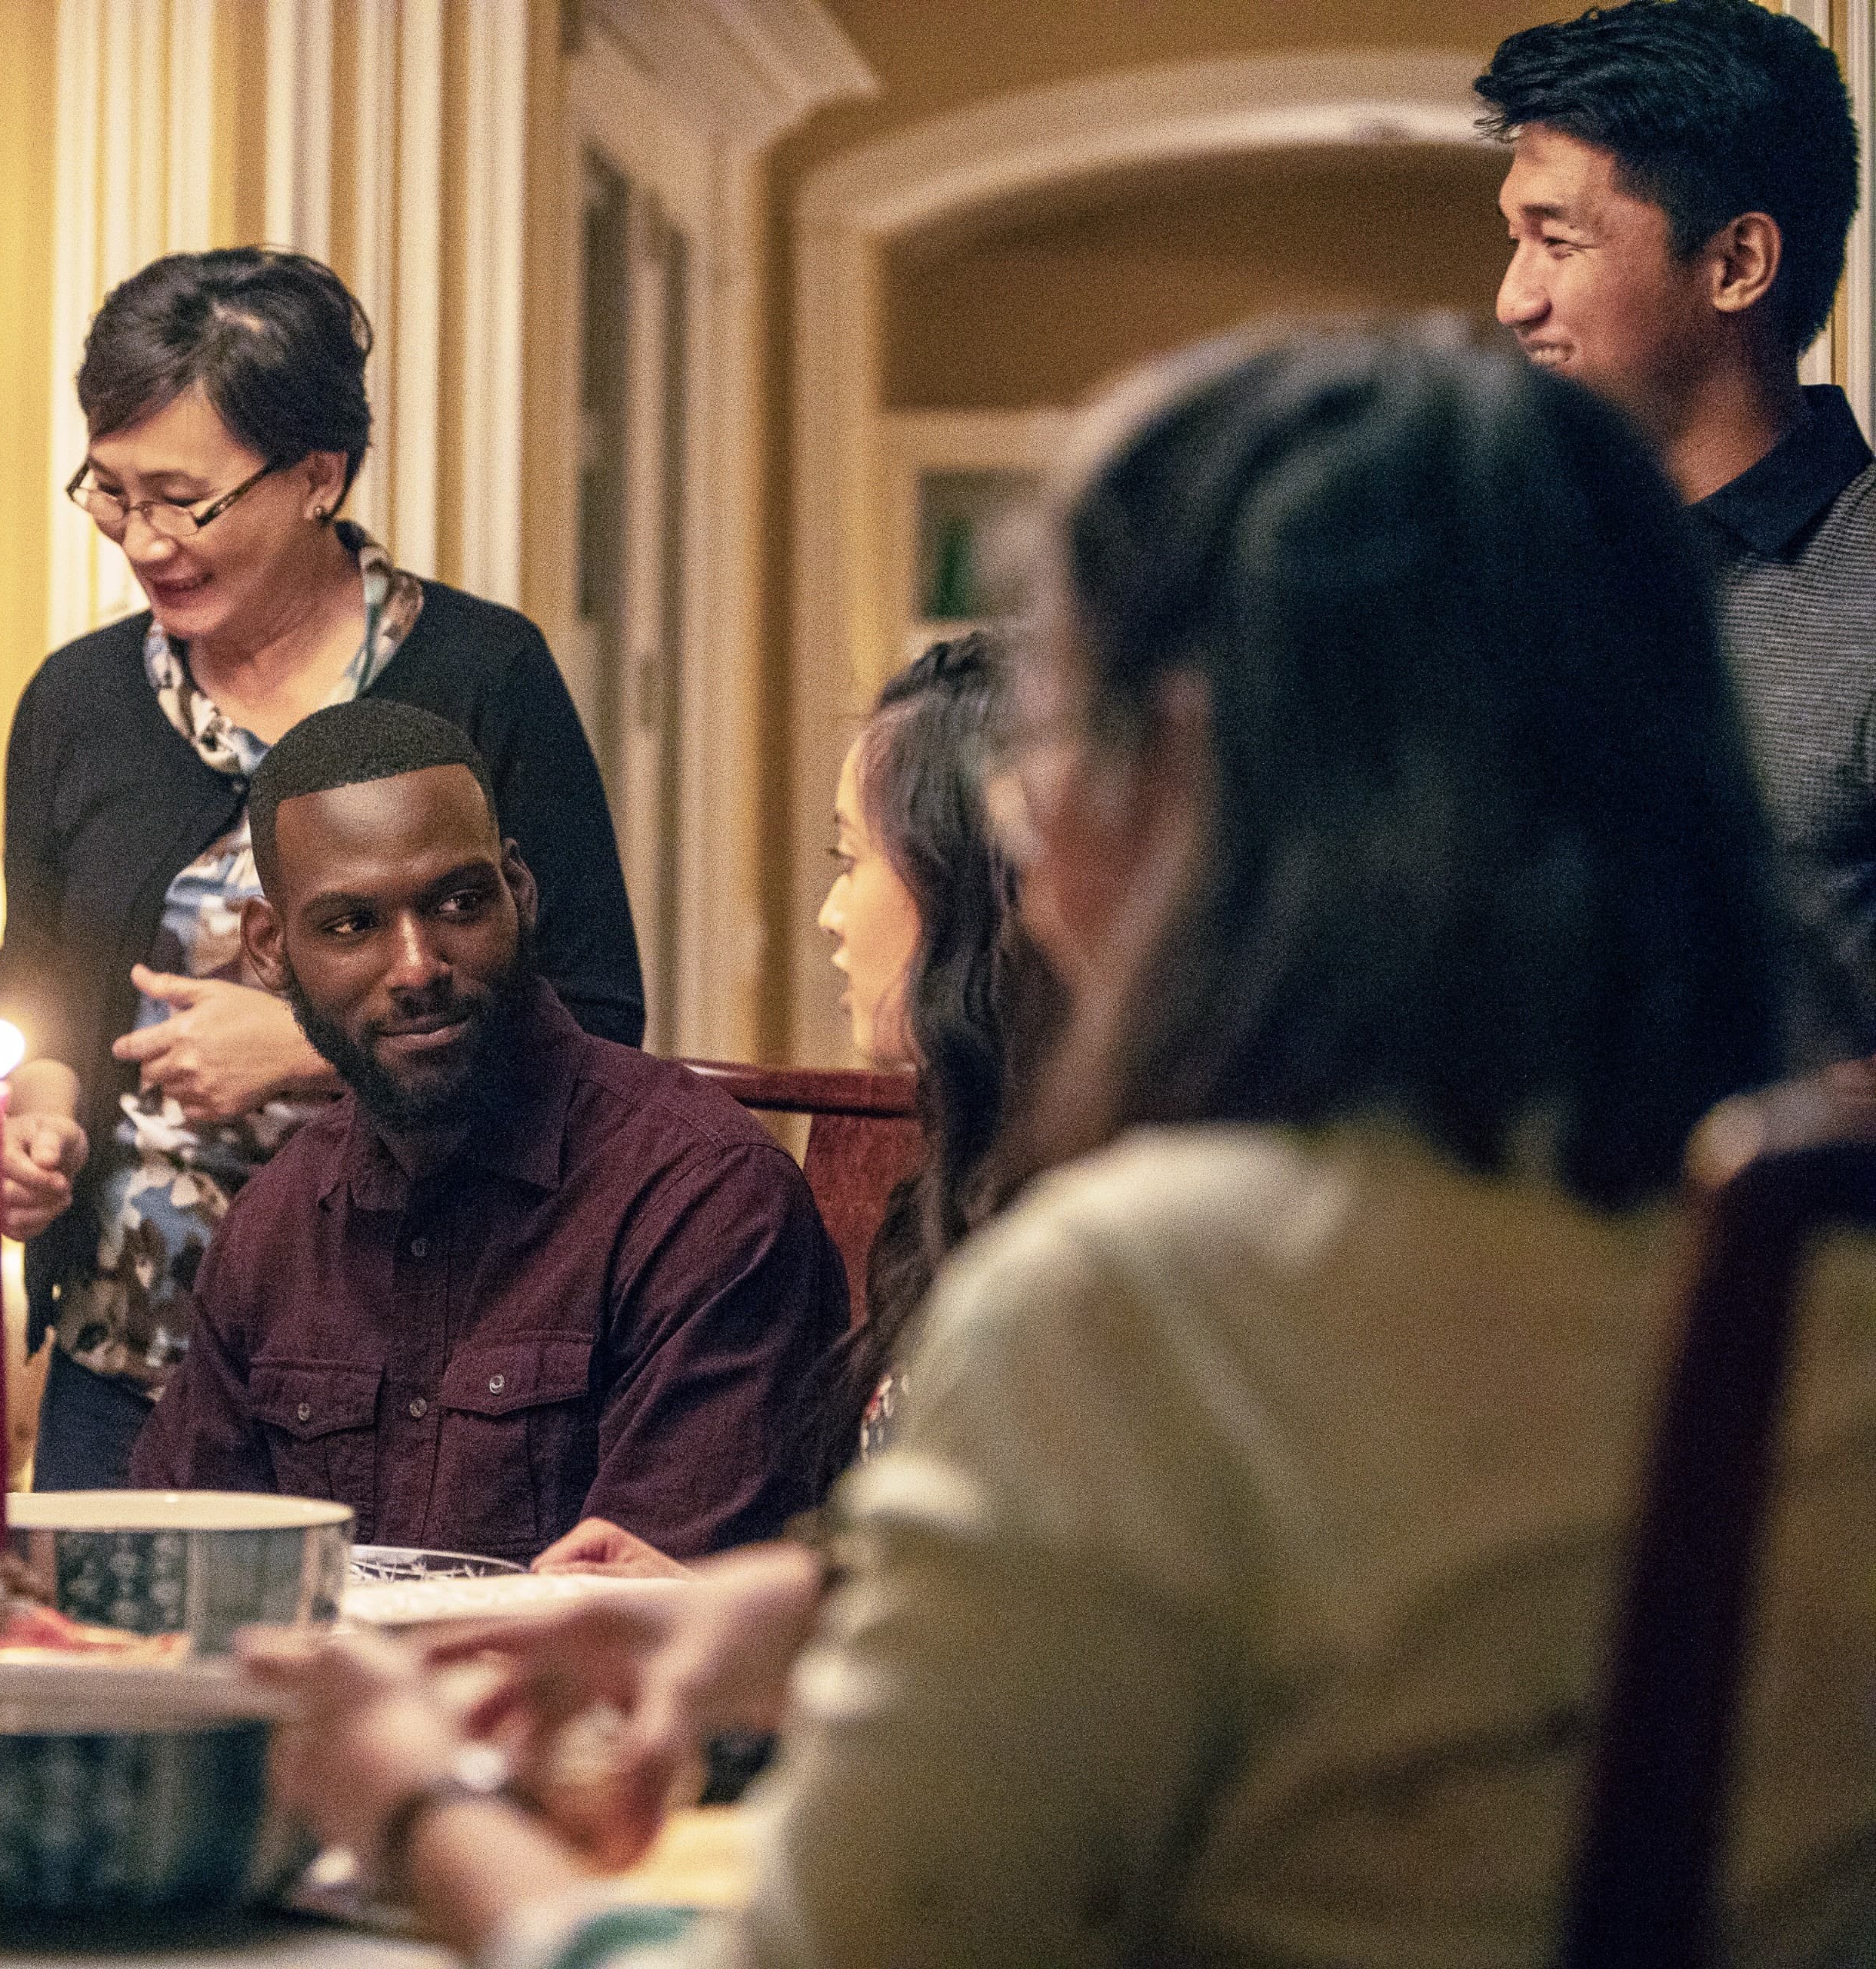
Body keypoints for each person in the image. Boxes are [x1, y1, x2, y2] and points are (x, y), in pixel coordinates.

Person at [243, 323, 1876, 1965]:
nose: (1019, 808)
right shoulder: (1779, 1232)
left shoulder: (1157, 1291)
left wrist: (406, 1795)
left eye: (1058, 714)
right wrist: (798, 1616)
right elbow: (1422, 1618)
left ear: (1193, 776)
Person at [0, 248, 645, 1490]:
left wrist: (301, 1042)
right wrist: (40, 1115)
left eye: (184, 500)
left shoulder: (481, 677)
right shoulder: (76, 702)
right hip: (128, 1370)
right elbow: (39, 974)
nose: (144, 540)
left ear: (316, 479)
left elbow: (599, 1020)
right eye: (113, 493)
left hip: (417, 1377)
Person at [129, 699, 845, 1563]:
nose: (417, 966)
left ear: (520, 890)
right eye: (351, 924)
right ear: (271, 949)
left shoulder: (705, 1198)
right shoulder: (274, 1225)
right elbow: (175, 1570)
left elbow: (662, 1638)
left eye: (460, 902)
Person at [538, 635, 1061, 1578]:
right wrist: (699, 1602)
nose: (830, 911)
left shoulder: (1071, 1222)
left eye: (851, 858)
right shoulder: (968, 1171)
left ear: (965, 884)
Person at [1485, 0, 1876, 1045]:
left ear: (1738, 264)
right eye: (1513, 238)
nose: (1512, 299)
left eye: (1555, 241)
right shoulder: (1504, 573)